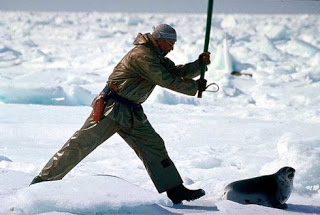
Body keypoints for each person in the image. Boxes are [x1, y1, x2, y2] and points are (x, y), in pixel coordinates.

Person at [30, 24, 211, 204]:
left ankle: (175, 190)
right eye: (170, 43)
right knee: (80, 145)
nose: (172, 47)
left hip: (131, 111)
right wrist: (194, 87)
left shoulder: (155, 55)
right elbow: (166, 79)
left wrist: (198, 65)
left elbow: (175, 72)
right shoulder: (142, 55)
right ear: (160, 40)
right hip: (112, 109)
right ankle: (40, 184)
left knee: (153, 145)